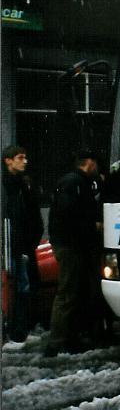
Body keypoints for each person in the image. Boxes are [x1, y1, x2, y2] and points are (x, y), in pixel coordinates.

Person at [45, 151, 102, 356]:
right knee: (68, 292)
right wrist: (91, 227)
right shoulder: (75, 183)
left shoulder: (76, 182)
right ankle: (57, 341)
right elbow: (70, 215)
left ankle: (68, 338)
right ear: (90, 162)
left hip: (71, 244)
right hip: (70, 246)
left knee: (73, 292)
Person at [1, 145, 43, 345]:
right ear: (8, 160)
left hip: (20, 244)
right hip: (15, 245)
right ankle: (17, 331)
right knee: (20, 285)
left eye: (25, 157)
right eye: (20, 157)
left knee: (22, 286)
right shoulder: (11, 187)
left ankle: (20, 330)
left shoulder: (21, 185)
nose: (24, 161)